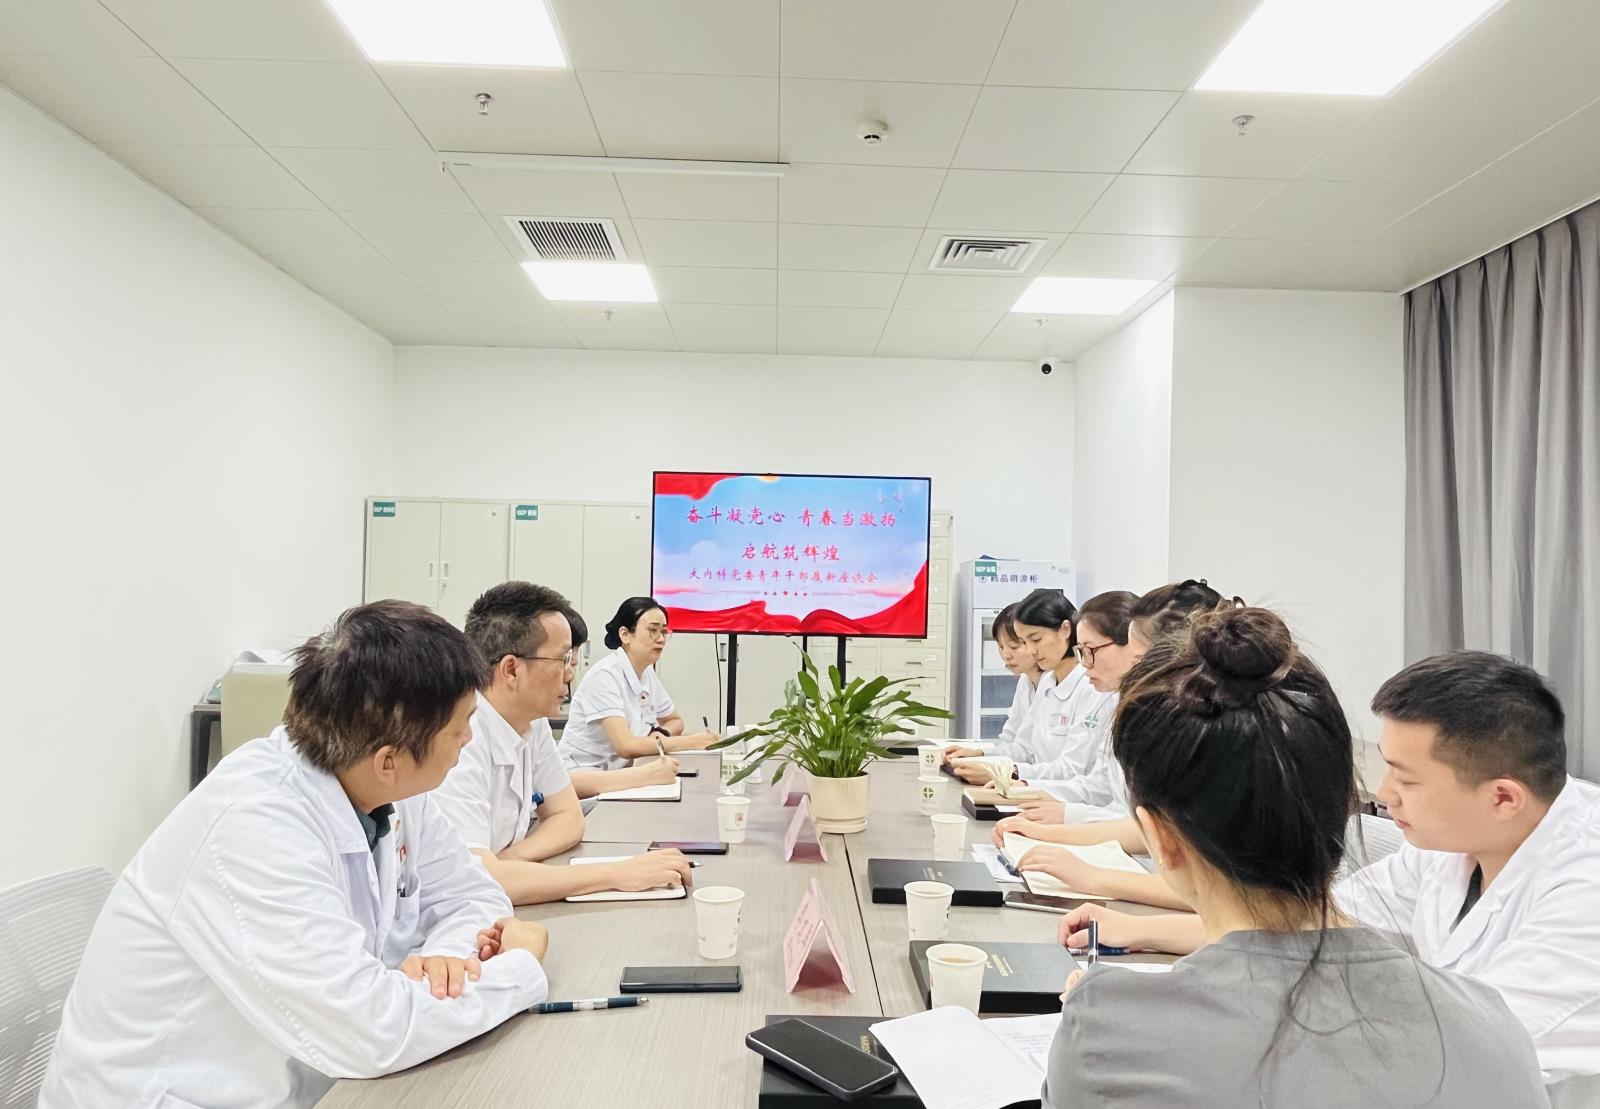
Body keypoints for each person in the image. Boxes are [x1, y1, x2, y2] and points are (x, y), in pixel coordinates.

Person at [40, 601, 551, 1109]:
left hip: (319, 1077)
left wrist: (450, 960)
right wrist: (518, 968)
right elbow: (370, 1032)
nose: (468, 739)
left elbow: (473, 895)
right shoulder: (254, 826)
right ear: (388, 760)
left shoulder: (386, 786)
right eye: (459, 728)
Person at [1041, 607, 1547, 1109]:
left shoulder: (1109, 1030)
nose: (1391, 793)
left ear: (1159, 838)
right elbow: (1296, 932)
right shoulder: (1494, 1025)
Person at [433, 582, 694, 904]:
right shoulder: (460, 739)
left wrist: (510, 862)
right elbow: (474, 881)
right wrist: (616, 874)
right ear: (511, 669)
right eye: (563, 660)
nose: (570, 675)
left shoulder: (532, 721)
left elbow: (568, 818)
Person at [996, 582, 1226, 913]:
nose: (1029, 652)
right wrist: (1050, 831)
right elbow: (1151, 828)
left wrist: (1090, 871)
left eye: (1141, 659)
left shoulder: (1205, 732)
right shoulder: (1152, 713)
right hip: (1155, 880)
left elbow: (1220, 891)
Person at [559, 596, 718, 798]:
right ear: (625, 634)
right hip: (583, 779)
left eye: (664, 631)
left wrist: (659, 735)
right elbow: (627, 746)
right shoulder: (605, 675)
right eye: (653, 630)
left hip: (618, 776)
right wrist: (691, 742)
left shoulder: (646, 672)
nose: (661, 638)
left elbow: (675, 721)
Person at [941, 602, 1042, 768]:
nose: (1006, 655)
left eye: (1014, 646)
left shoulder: (1054, 684)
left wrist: (987, 761)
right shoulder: (1026, 681)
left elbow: (1032, 754)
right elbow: (1010, 739)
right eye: (1001, 646)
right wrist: (979, 754)